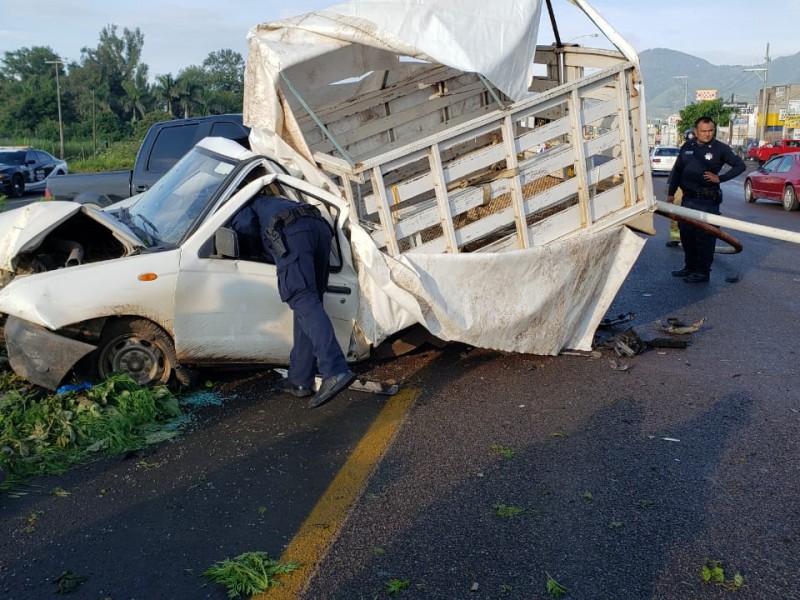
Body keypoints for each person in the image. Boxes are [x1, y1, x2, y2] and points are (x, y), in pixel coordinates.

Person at [231, 195, 355, 408]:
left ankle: (335, 369)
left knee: (302, 298)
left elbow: (245, 226)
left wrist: (258, 251)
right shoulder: (274, 199)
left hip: (293, 234)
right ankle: (300, 380)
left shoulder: (242, 203)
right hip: (319, 229)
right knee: (308, 304)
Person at [666, 116, 745, 283]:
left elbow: (740, 165)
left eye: (710, 131)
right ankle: (690, 267)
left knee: (705, 237)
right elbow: (677, 170)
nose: (707, 134)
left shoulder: (720, 148)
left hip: (707, 201)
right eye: (703, 131)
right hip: (688, 200)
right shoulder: (687, 146)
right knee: (687, 235)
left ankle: (702, 272)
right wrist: (671, 192)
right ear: (696, 131)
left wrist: (720, 178)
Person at [665, 129, 695, 248]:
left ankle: (693, 237)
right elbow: (676, 170)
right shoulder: (684, 151)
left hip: (695, 188)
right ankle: (675, 237)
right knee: (675, 212)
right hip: (680, 186)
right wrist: (671, 189)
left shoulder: (703, 151)